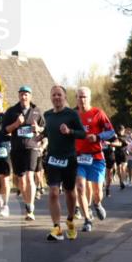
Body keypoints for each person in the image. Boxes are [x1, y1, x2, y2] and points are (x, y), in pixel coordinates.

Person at [43, 86, 87, 241]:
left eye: (59, 95)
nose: (56, 97)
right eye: (53, 94)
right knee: (53, 192)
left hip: (69, 159)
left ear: (64, 97)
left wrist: (70, 132)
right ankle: (57, 228)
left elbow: (83, 133)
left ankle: (69, 220)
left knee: (69, 192)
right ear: (50, 97)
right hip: (53, 159)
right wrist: (39, 136)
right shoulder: (47, 115)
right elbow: (47, 131)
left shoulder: (72, 114)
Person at [73, 86, 114, 232]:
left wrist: (97, 137)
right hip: (79, 158)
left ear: (89, 98)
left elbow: (111, 132)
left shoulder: (98, 113)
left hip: (96, 157)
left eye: (84, 97)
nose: (82, 100)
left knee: (97, 191)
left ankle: (97, 204)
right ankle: (87, 219)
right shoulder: (73, 115)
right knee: (80, 187)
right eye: (79, 97)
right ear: (76, 98)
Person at [2, 86, 44, 221]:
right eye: (21, 94)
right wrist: (16, 124)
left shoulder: (37, 111)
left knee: (30, 176)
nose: (23, 97)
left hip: (32, 147)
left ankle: (30, 207)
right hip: (17, 149)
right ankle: (27, 204)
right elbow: (5, 130)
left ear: (30, 96)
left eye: (26, 94)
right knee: (22, 180)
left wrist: (38, 128)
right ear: (18, 96)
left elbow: (45, 128)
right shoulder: (11, 111)